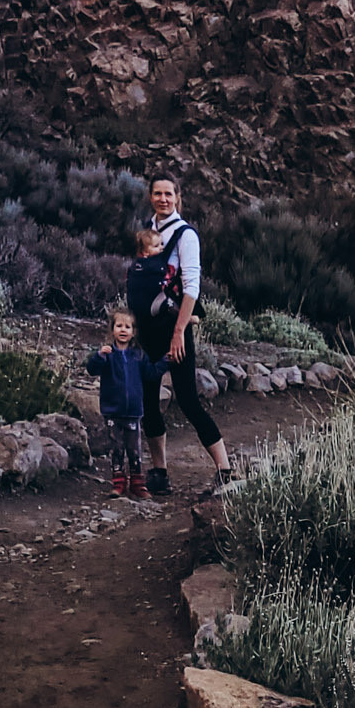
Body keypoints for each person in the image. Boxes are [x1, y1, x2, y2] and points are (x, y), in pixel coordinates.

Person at [128, 172, 230, 499]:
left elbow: (191, 287)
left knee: (188, 400)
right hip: (148, 329)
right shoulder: (148, 230)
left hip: (175, 329)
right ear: (150, 197)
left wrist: (179, 333)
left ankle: (225, 469)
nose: (162, 199)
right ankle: (159, 472)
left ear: (177, 197)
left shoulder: (186, 236)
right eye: (157, 193)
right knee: (149, 400)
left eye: (168, 194)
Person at [83, 298, 166, 494]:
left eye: (127, 327)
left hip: (134, 412)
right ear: (112, 329)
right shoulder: (107, 354)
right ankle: (118, 483)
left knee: (134, 449)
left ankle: (137, 483)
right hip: (113, 411)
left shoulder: (138, 355)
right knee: (117, 448)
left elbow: (151, 374)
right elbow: (92, 370)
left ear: (133, 332)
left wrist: (165, 361)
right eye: (119, 326)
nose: (123, 330)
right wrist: (98, 357)